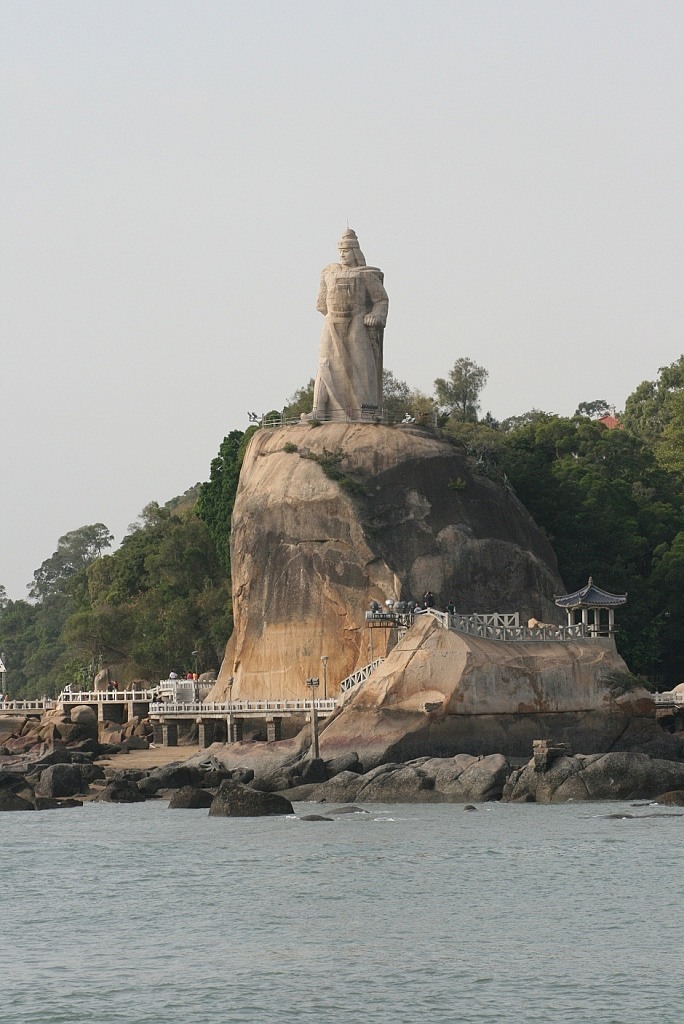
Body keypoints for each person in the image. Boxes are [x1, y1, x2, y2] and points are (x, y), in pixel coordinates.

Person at [312, 228, 389, 421]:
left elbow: (381, 300)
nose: (342, 255)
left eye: (346, 251)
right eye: (340, 251)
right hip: (332, 323)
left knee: (361, 366)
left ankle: (366, 411)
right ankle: (320, 409)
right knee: (325, 364)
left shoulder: (365, 274)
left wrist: (375, 316)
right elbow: (321, 304)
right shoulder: (329, 273)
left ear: (355, 252)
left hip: (357, 323)